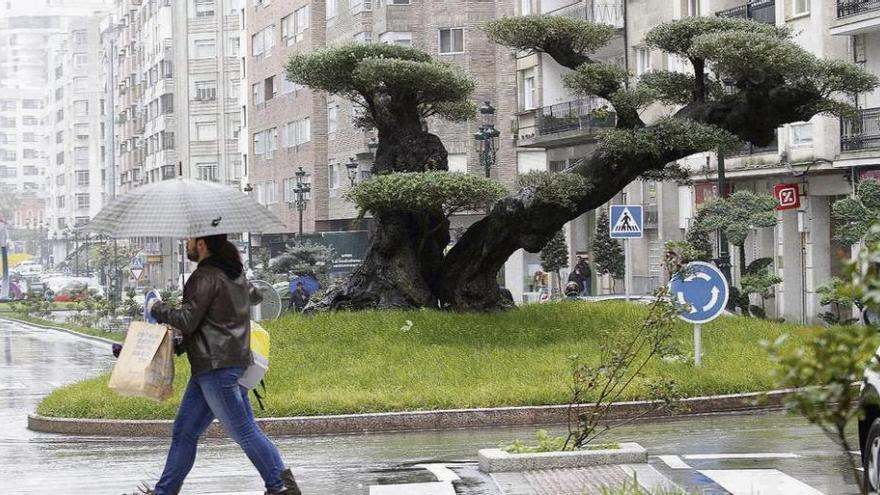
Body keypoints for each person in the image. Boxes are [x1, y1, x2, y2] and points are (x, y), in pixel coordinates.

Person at [138, 234, 301, 495]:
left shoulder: (204, 276)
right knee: (185, 432)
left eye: (190, 240)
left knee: (244, 432)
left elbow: (188, 320)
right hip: (225, 363)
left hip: (216, 367)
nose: (186, 244)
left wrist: (156, 308)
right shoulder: (233, 272)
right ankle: (164, 492)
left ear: (202, 244)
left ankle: (281, 487)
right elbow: (253, 296)